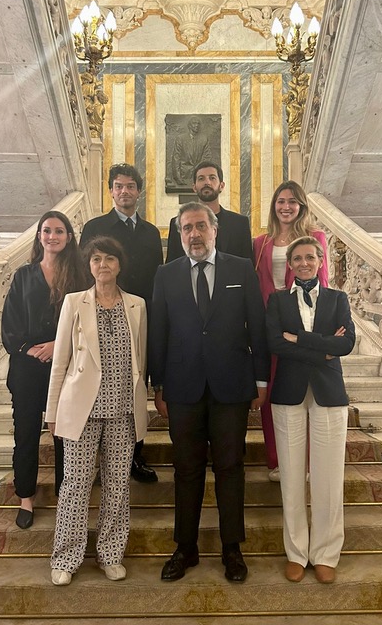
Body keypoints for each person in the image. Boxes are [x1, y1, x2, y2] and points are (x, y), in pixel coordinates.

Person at [150, 202, 269, 583]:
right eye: (187, 228)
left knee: (231, 468)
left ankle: (232, 548)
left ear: (215, 230)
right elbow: (159, 333)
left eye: (201, 226)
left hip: (231, 386)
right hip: (182, 388)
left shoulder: (240, 269)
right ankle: (185, 548)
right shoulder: (165, 274)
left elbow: (258, 328)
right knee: (186, 469)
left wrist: (261, 380)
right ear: (179, 234)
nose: (194, 234)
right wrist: (158, 384)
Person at [46, 236, 148, 586]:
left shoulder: (137, 305)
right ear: (88, 265)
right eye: (96, 259)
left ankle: (110, 554)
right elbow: (60, 361)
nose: (103, 265)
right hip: (81, 410)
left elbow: (141, 361)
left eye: (109, 259)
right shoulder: (74, 303)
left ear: (120, 264)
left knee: (118, 484)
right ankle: (66, 557)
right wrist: (51, 411)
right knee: (75, 484)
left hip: (123, 411)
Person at [266, 236, 355, 584]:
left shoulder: (338, 299)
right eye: (297, 258)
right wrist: (323, 347)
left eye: (310, 257)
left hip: (329, 394)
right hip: (288, 392)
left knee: (328, 476)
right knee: (290, 476)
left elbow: (345, 344)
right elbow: (273, 343)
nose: (303, 263)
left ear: (320, 261)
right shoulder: (276, 301)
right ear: (289, 264)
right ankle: (296, 552)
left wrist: (298, 339)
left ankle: (326, 553)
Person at [1, 211, 88, 529]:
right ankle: (26, 498)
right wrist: (28, 349)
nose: (53, 236)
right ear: (39, 236)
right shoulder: (23, 275)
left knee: (64, 435)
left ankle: (67, 496)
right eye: (47, 230)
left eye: (59, 231)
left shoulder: (80, 276)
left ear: (68, 238)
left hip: (65, 366)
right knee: (25, 434)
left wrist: (56, 346)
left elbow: (84, 323)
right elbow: (9, 322)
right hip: (26, 367)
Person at [80, 162, 163, 483]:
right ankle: (99, 455)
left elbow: (158, 279)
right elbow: (81, 271)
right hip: (99, 315)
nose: (124, 191)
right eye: (118, 186)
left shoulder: (151, 232)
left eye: (130, 186)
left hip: (138, 317)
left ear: (138, 192)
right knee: (98, 386)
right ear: (111, 191)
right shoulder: (95, 227)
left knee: (134, 388)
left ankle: (134, 456)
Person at [253, 180, 328, 482]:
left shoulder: (316, 237)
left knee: (305, 393)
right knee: (272, 394)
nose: (286, 207)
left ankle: (308, 463)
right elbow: (257, 285)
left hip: (304, 325)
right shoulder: (260, 243)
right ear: (274, 205)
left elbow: (322, 283)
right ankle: (277, 461)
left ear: (301, 206)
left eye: (292, 201)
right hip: (270, 325)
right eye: (281, 201)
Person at [165, 161, 253, 263]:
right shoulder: (179, 223)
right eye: (201, 178)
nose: (207, 182)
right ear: (194, 187)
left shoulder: (239, 223)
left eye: (212, 178)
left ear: (221, 185)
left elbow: (247, 267)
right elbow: (172, 266)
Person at [170, 116, 212, 189]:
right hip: (184, 175)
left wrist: (202, 172)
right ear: (189, 125)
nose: (196, 125)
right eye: (194, 123)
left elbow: (207, 157)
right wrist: (177, 177)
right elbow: (176, 158)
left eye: (198, 124)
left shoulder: (204, 139)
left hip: (199, 175)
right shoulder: (181, 139)